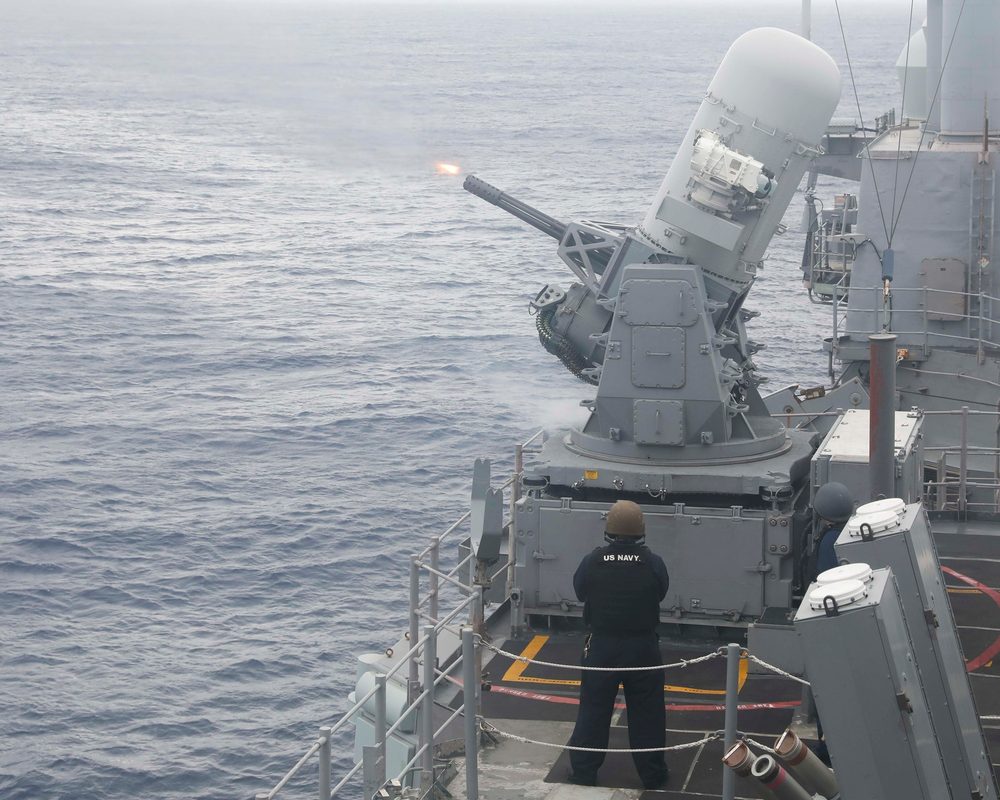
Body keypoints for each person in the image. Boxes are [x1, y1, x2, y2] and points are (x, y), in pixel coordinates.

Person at [567, 499, 669, 789]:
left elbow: (580, 591)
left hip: (602, 647)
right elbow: (660, 592)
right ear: (641, 531)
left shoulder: (592, 561)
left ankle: (584, 772)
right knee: (648, 714)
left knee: (593, 711)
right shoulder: (653, 562)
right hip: (643, 648)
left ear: (609, 529)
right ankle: (652, 774)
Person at [806, 480, 856, 767]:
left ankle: (829, 749)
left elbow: (823, 580)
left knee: (826, 690)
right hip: (845, 624)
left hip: (828, 627)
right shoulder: (847, 535)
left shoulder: (828, 542)